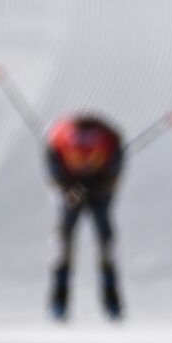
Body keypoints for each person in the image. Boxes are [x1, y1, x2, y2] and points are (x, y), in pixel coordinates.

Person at [45, 114, 124, 321]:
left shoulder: (107, 136)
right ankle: (58, 299)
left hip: (100, 192)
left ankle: (111, 299)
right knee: (62, 242)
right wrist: (66, 187)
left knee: (106, 241)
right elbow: (52, 161)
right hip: (72, 193)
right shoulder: (61, 134)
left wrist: (103, 185)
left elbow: (116, 161)